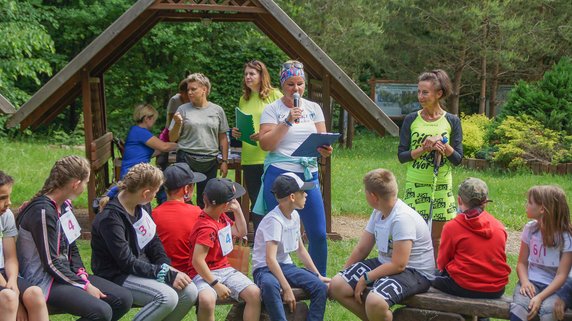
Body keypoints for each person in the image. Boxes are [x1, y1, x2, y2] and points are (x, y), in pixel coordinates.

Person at [16, 156, 133, 321]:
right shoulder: (42, 212)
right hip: (43, 281)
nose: (85, 186)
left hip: (64, 275)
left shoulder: (65, 205)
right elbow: (50, 263)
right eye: (86, 182)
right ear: (76, 184)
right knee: (101, 311)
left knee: (123, 299)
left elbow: (72, 247)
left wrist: (82, 275)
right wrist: (84, 286)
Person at [255, 60, 333, 276]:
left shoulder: (314, 108)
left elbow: (322, 140)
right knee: (277, 231)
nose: (296, 89)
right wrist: (287, 121)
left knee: (317, 233)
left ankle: (320, 279)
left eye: (300, 84)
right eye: (290, 84)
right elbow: (266, 144)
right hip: (281, 175)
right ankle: (277, 279)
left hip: (308, 173)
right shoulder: (272, 110)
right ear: (282, 85)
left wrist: (325, 150)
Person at [91, 163, 197, 321]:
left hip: (141, 268)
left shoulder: (143, 205)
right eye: (155, 192)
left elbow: (153, 240)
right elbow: (126, 262)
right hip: (117, 275)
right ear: (146, 193)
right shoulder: (110, 219)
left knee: (190, 292)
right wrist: (164, 273)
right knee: (166, 297)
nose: (156, 196)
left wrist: (166, 267)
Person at [329, 169, 434, 321]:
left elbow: (399, 265)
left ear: (373, 196)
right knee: (337, 285)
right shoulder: (379, 211)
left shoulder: (402, 219)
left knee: (375, 302)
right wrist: (343, 272)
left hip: (415, 272)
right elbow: (362, 248)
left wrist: (366, 278)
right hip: (387, 263)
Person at [397, 69, 463, 260]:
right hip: (416, 185)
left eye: (425, 92)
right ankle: (413, 270)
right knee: (413, 236)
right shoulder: (411, 119)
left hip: (441, 186)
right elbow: (402, 156)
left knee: (438, 239)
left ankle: (436, 274)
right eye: (419, 92)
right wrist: (423, 149)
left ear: (439, 94)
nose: (420, 96)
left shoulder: (452, 121)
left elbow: (458, 159)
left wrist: (444, 147)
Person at [252, 172, 329, 321]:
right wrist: (286, 288)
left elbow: (300, 249)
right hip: (265, 269)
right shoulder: (274, 221)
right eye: (302, 192)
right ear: (292, 197)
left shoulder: (294, 215)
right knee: (270, 285)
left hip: (285, 266)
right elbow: (270, 259)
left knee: (320, 287)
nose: (306, 195)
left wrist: (318, 275)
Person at [433, 177, 511, 321]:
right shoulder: (498, 226)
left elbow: (442, 262)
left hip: (464, 286)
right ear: (485, 202)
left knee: (431, 277)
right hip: (496, 289)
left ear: (459, 200)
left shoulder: (452, 227)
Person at [188, 178, 261, 321]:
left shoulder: (220, 217)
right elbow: (197, 261)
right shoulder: (206, 227)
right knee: (207, 300)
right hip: (203, 273)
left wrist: (238, 210)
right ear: (226, 205)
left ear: (204, 198)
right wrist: (216, 284)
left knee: (254, 294)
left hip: (225, 269)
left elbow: (241, 232)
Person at [232, 60, 283, 235]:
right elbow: (244, 123)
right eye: (246, 74)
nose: (248, 77)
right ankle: (261, 237)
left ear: (262, 76)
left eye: (252, 73)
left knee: (273, 198)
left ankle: (277, 236)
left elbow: (286, 123)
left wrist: (265, 133)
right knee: (256, 200)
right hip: (250, 157)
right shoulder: (243, 99)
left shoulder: (275, 95)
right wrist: (237, 132)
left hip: (271, 155)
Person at [510, 185, 572, 321]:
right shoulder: (530, 229)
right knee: (519, 307)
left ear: (542, 209)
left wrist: (540, 297)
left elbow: (562, 275)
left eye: (530, 202)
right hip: (531, 281)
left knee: (548, 311)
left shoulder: (566, 237)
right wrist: (525, 282)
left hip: (556, 287)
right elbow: (521, 263)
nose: (526, 205)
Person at [170, 73, 230, 208]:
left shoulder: (217, 110)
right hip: (186, 158)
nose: (189, 92)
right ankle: (185, 227)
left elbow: (223, 137)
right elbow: (172, 138)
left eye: (193, 89)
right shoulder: (182, 109)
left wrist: (224, 161)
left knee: (207, 199)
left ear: (204, 89)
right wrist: (177, 123)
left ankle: (203, 227)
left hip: (210, 160)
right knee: (183, 198)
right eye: (188, 89)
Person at [0, 171, 49, 321]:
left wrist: (13, 280)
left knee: (35, 293)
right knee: (9, 297)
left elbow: (10, 257)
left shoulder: (6, 215)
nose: (8, 203)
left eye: (8, 196)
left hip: (3, 273)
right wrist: (17, 299)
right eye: (2, 198)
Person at [152, 163, 206, 273]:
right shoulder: (197, 213)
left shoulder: (152, 215)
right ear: (186, 189)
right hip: (192, 274)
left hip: (163, 273)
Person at [120, 104, 177, 179]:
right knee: (165, 183)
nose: (154, 121)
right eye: (153, 119)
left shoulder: (136, 130)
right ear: (147, 118)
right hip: (132, 175)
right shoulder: (140, 132)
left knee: (163, 183)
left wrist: (166, 147)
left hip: (133, 172)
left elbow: (152, 152)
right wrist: (182, 144)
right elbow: (164, 146)